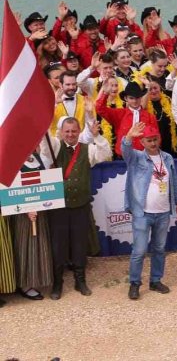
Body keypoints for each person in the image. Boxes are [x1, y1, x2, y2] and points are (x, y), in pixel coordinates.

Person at [39, 116, 112, 299]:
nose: (70, 134)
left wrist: (97, 137)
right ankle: (57, 283)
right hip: (58, 207)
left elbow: (106, 154)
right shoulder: (55, 147)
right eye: (67, 131)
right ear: (61, 132)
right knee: (58, 245)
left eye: (73, 131)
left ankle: (80, 280)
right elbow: (44, 143)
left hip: (80, 205)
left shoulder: (88, 150)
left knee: (79, 244)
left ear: (79, 132)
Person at [122, 122, 177, 300]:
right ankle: (134, 283)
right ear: (142, 142)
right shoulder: (137, 157)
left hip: (163, 211)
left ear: (160, 139)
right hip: (143, 212)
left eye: (155, 139)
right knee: (139, 250)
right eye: (149, 140)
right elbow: (125, 151)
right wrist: (128, 137)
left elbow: (174, 182)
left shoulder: (168, 158)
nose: (153, 143)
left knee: (159, 248)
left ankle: (155, 280)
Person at [10, 152, 55, 301]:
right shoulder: (14, 161)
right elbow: (10, 187)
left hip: (40, 209)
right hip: (22, 212)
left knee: (38, 244)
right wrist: (27, 208)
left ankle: (37, 279)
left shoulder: (38, 157)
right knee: (24, 246)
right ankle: (24, 284)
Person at [95, 80, 160, 158]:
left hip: (144, 158)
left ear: (141, 97)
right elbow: (99, 108)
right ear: (126, 98)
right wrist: (105, 93)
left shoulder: (150, 117)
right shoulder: (119, 114)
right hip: (123, 158)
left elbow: (157, 138)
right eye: (131, 98)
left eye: (137, 98)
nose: (135, 101)